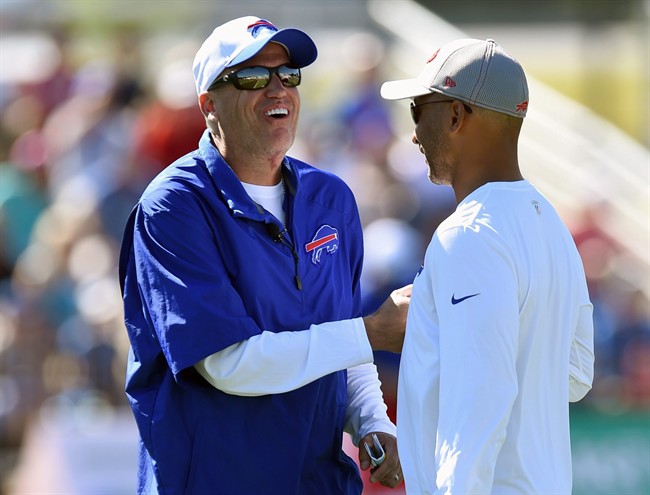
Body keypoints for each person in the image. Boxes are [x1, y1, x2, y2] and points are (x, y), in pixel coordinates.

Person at [118, 16, 410, 494]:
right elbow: (228, 364)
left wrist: (373, 422)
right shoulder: (172, 206)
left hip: (319, 481)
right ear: (209, 105)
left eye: (288, 75)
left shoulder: (331, 198)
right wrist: (373, 331)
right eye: (252, 77)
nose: (277, 89)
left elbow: (345, 339)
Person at [380, 38, 595, 494]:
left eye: (419, 109)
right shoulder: (551, 223)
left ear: (456, 115)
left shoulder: (469, 234)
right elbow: (575, 375)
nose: (414, 133)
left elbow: (480, 401)